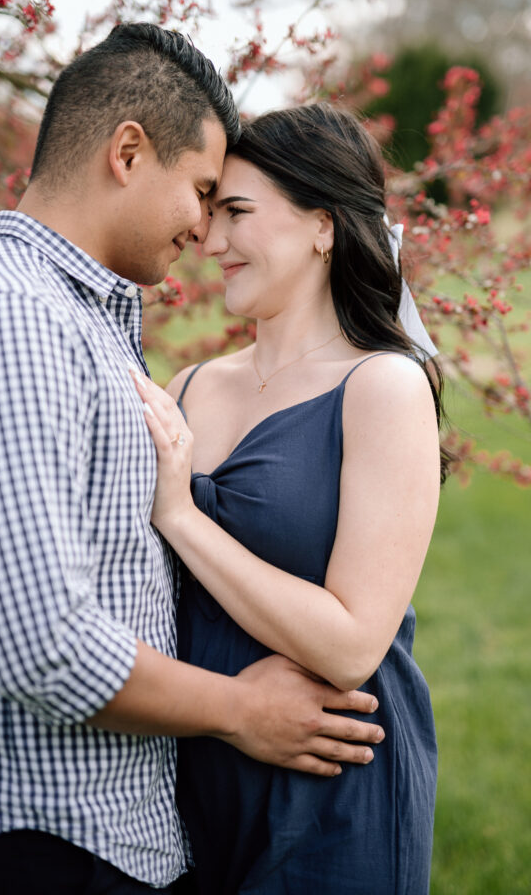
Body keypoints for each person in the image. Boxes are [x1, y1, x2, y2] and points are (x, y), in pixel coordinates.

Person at [0, 26, 384, 894]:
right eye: (204, 191)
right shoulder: (12, 318)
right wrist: (241, 711)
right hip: (39, 840)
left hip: (104, 835)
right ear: (129, 153)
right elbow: (44, 642)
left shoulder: (82, 320)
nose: (206, 227)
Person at [131, 103, 447, 894]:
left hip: (333, 786)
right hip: (193, 775)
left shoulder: (382, 388)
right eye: (210, 214)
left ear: (324, 226)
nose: (210, 242)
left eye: (238, 213)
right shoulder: (191, 387)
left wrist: (180, 516)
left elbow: (350, 646)